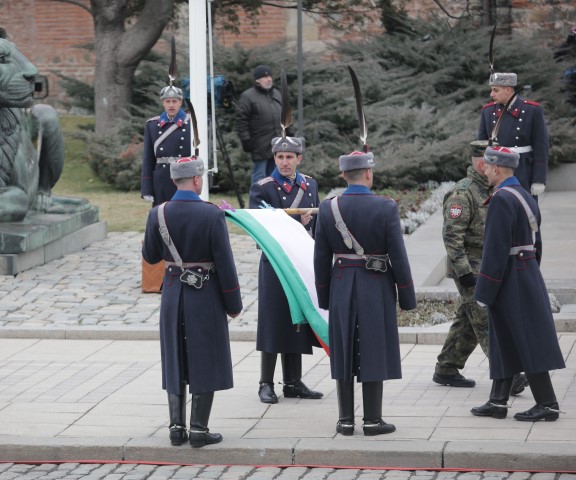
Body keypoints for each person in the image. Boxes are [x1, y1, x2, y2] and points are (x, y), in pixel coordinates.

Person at [314, 151, 417, 436]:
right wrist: (407, 297)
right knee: (373, 347)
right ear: (369, 174)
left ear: (344, 176)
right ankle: (372, 420)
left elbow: (320, 258)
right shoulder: (385, 208)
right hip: (376, 285)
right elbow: (398, 255)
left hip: (342, 283)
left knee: (344, 348)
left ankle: (345, 420)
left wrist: (324, 297)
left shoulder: (328, 208)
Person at [142, 157, 243, 448]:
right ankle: (198, 429)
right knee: (205, 356)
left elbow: (150, 256)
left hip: (173, 292)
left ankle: (176, 428)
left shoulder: (158, 214)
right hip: (205, 292)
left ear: (175, 181)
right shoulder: (211, 214)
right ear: (197, 180)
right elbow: (225, 264)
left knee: (175, 355)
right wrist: (233, 303)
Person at [471, 146, 565, 421]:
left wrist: (485, 289)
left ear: (497, 168)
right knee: (505, 337)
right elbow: (537, 242)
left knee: (526, 339)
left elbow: (495, 250)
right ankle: (498, 401)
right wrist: (530, 269)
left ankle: (547, 404)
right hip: (525, 272)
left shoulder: (501, 199)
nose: (484, 169)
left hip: (510, 276)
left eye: (487, 166)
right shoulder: (523, 194)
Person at [433, 140, 528, 396]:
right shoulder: (462, 193)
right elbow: (452, 237)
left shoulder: (493, 188)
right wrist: (464, 272)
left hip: (490, 263)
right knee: (485, 318)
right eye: (490, 160)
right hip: (470, 265)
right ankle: (509, 373)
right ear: (481, 162)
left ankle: (447, 368)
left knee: (469, 318)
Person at [248, 135, 323, 404]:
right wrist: (295, 222)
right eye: (279, 157)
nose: (284, 162)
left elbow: (316, 225)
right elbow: (261, 228)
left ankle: (293, 381)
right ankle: (265, 383)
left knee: (297, 321)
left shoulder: (310, 184)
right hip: (275, 261)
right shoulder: (263, 188)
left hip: (301, 260)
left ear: (299, 159)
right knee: (272, 321)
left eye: (289, 157)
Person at [477, 72, 549, 198]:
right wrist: (482, 175)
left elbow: (541, 147)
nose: (491, 94)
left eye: (495, 90)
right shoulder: (487, 111)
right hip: (496, 171)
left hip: (523, 170)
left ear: (508, 89)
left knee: (525, 211)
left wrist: (539, 179)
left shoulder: (532, 111)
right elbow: (481, 148)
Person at [236, 65, 292, 191]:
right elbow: (241, 119)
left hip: (278, 143)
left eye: (269, 76)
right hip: (259, 144)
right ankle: (257, 203)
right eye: (265, 77)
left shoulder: (276, 94)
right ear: (257, 80)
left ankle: (273, 202)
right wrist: (246, 139)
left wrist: (289, 133)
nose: (269, 79)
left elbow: (286, 114)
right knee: (259, 176)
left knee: (275, 175)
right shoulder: (248, 96)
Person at [140, 84, 191, 207]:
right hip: (161, 178)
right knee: (161, 215)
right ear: (163, 103)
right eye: (168, 101)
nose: (171, 105)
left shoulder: (190, 123)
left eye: (174, 101)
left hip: (184, 176)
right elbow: (148, 158)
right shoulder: (152, 125)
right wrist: (146, 188)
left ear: (180, 102)